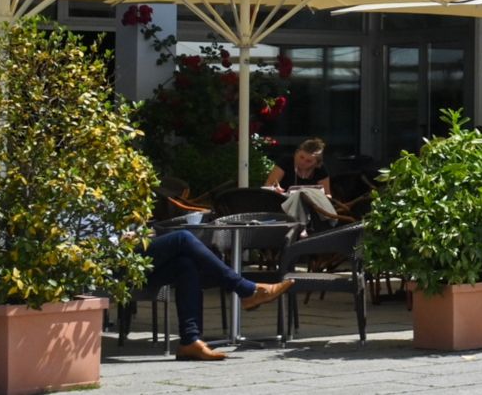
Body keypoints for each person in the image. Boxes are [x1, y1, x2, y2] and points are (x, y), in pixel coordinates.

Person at [143, 229, 293, 361]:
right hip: (122, 263)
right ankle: (247, 290)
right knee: (183, 237)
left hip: (130, 256)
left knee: (185, 264)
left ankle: (189, 341)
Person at [264, 137, 339, 224]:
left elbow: (328, 194)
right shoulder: (285, 162)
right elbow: (268, 186)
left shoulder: (320, 170)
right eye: (301, 157)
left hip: (312, 209)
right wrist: (274, 189)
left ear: (316, 163)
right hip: (283, 206)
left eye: (308, 161)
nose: (302, 162)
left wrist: (319, 197)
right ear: (296, 153)